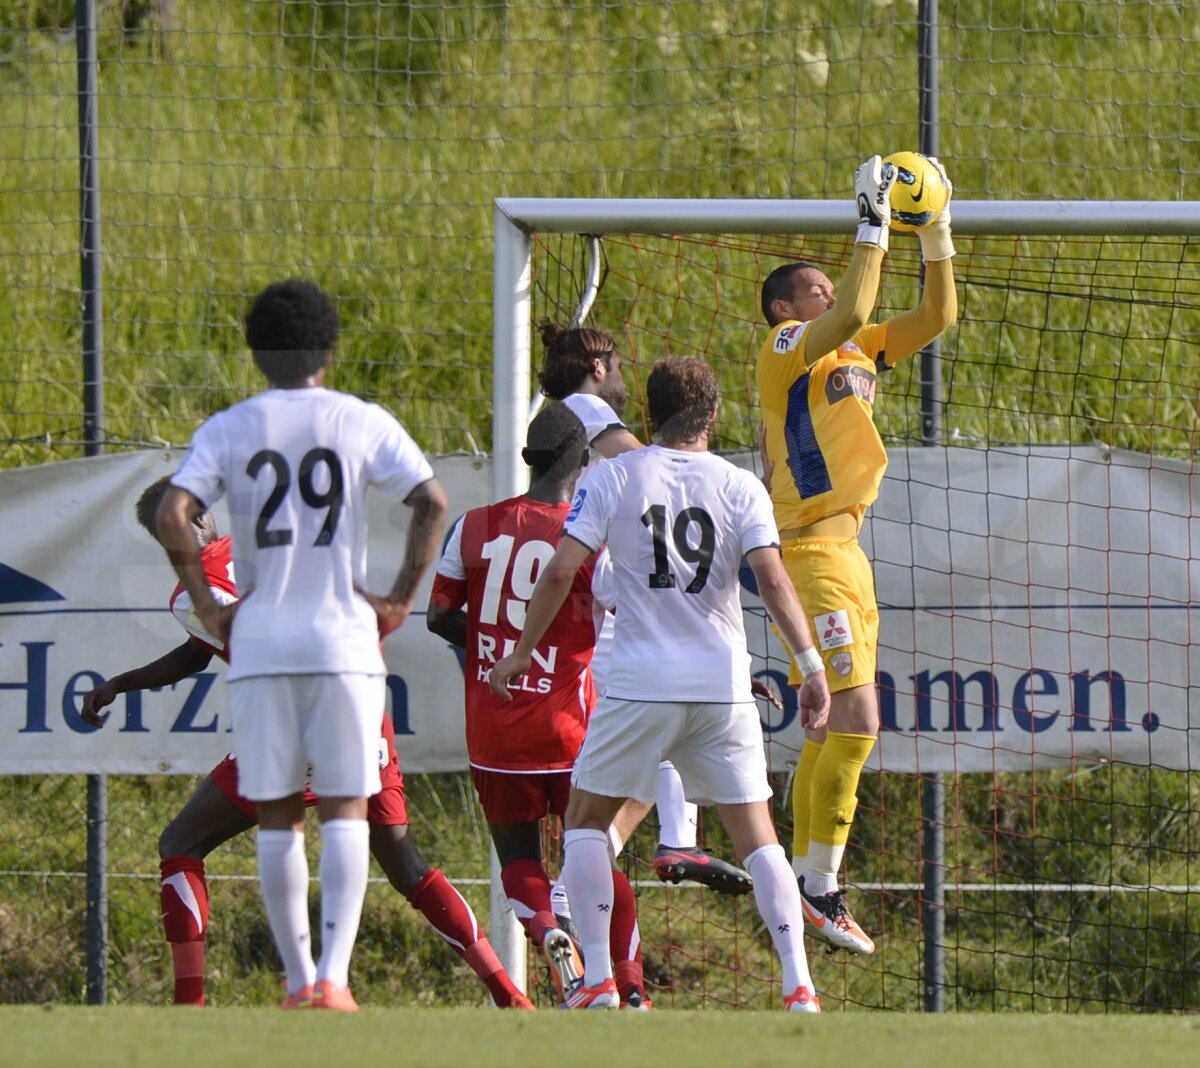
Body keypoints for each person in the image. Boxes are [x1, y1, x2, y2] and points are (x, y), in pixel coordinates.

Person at [82, 476, 531, 1011]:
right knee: (405, 863)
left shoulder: (193, 594)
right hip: (363, 705)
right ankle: (508, 994)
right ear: (204, 516)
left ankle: (195, 1007)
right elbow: (203, 651)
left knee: (181, 843)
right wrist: (121, 683)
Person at [490, 357, 831, 1012]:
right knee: (758, 836)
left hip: (640, 683)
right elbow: (776, 581)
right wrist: (811, 667)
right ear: (714, 414)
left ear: (648, 413)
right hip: (721, 686)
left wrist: (522, 651)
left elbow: (562, 572)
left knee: (587, 822)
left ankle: (596, 982)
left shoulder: (614, 475)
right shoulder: (740, 486)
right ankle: (798, 985)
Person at [154, 279, 449, 1012]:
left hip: (261, 643)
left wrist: (206, 606)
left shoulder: (230, 426)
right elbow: (432, 501)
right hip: (343, 638)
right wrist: (400, 599)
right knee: (347, 807)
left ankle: (294, 982)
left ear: (255, 351)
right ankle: (334, 983)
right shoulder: (358, 419)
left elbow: (172, 512)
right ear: (329, 347)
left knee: (279, 811)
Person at [755, 156, 958, 955]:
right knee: (860, 718)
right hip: (807, 550)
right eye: (815, 287)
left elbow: (937, 316)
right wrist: (871, 226)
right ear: (784, 307)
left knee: (832, 727)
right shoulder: (784, 346)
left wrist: (935, 230)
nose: (831, 292)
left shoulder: (860, 350)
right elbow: (853, 309)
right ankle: (818, 884)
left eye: (830, 285)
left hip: (848, 553)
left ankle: (801, 874)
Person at [427, 402, 650, 1009]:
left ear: (528, 459)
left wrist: (494, 647)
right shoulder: (586, 536)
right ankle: (628, 987)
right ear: (584, 460)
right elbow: (630, 610)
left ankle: (549, 933)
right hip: (569, 728)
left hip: (496, 731)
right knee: (595, 850)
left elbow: (439, 615)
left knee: (519, 858)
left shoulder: (471, 526)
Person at [536, 321, 753, 897]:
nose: (625, 379)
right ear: (599, 367)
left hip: (609, 586)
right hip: (617, 596)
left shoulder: (555, 410)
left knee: (660, 734)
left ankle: (674, 839)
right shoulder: (587, 406)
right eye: (620, 367)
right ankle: (590, 882)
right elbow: (651, 463)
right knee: (659, 721)